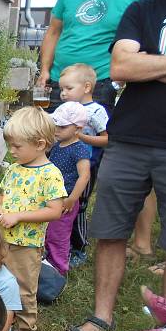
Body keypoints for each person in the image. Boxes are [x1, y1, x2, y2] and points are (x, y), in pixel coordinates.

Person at [58, 0, 166, 331]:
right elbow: (122, 67)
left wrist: (152, 65)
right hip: (130, 135)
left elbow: (138, 65)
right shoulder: (144, 10)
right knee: (109, 229)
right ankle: (101, 316)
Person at [38, 0, 151, 114]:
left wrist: (121, 78)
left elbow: (146, 40)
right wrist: (44, 70)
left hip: (99, 85)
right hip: (60, 81)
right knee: (51, 140)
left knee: (91, 141)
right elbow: (54, 31)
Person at [0, 108, 65, 331]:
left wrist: (19, 216)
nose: (11, 151)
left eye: (17, 146)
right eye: (9, 145)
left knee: (23, 287)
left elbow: (55, 210)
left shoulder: (50, 175)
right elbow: (4, 195)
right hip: (2, 238)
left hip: (26, 244)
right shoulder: (13, 169)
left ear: (40, 144)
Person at [55, 64, 109, 268]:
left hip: (86, 166)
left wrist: (82, 137)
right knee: (60, 203)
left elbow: (107, 139)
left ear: (87, 87)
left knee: (79, 206)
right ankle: (61, 240)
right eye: (61, 89)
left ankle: (79, 247)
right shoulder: (65, 110)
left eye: (68, 88)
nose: (63, 93)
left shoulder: (96, 111)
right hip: (63, 163)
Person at [45, 102, 91, 276]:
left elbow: (84, 176)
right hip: (51, 197)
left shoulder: (80, 149)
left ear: (78, 128)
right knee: (48, 231)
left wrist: (72, 198)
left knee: (59, 234)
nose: (57, 129)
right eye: (55, 125)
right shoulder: (58, 145)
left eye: (62, 126)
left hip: (66, 201)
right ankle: (46, 261)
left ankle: (58, 269)